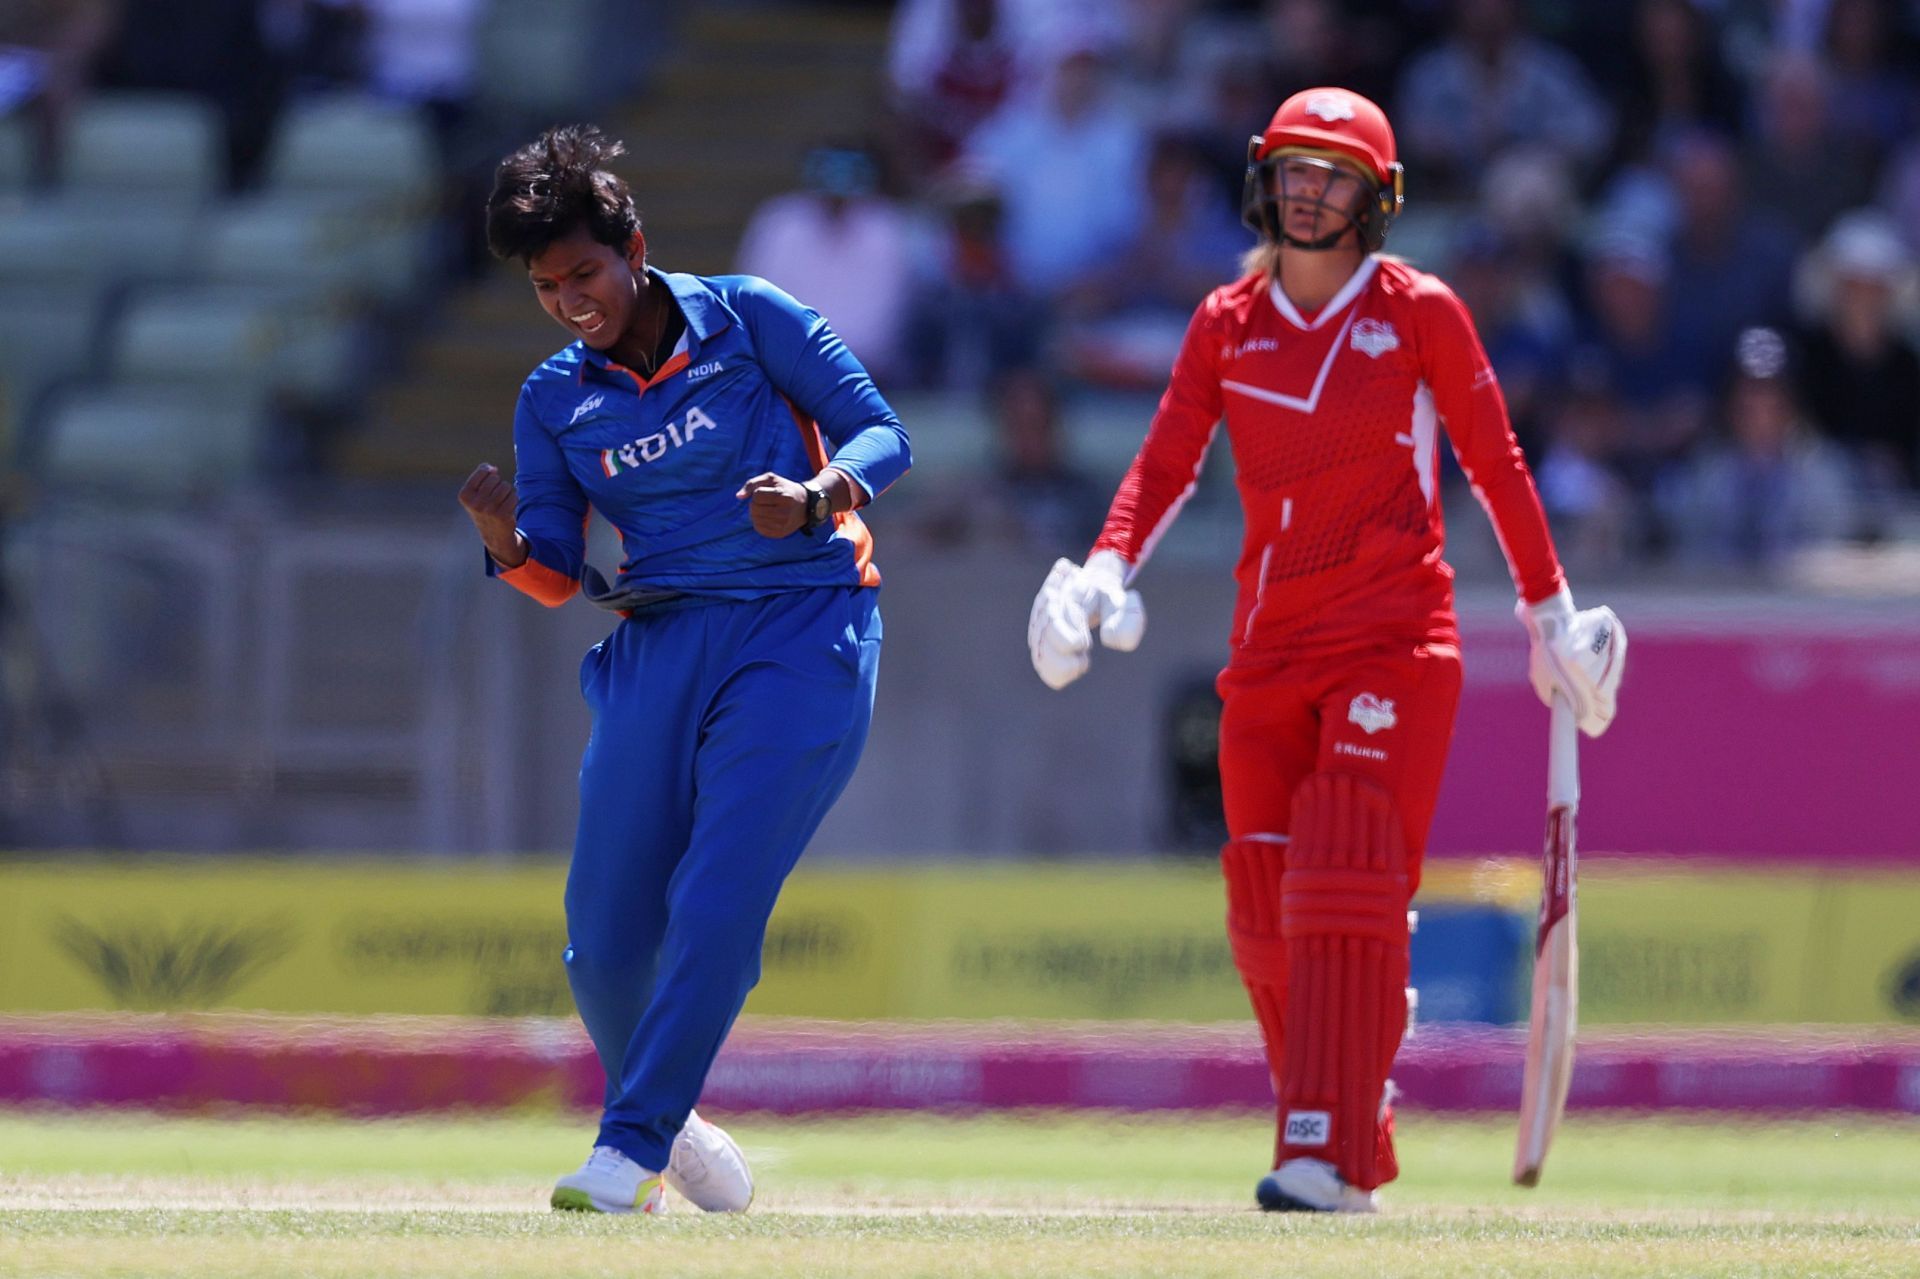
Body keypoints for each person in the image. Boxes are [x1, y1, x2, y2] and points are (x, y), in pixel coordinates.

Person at [1026, 87, 1625, 1212]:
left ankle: (1321, 1151)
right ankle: (1357, 1114)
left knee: (1341, 882)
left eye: (1335, 174)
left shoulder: (1422, 311)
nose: (1310, 191)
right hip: (1267, 654)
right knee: (1264, 911)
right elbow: (1164, 467)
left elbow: (1496, 466)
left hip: (1394, 644)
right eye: (1296, 169)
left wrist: (1552, 614)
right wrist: (1104, 570)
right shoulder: (1223, 322)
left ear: (1378, 198)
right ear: (1266, 180)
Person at [457, 126, 909, 1215]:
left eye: (585, 274)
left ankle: (628, 1149)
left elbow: (882, 435)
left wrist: (815, 499)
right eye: (547, 286)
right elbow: (564, 578)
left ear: (636, 249)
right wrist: (509, 545)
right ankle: (677, 1127)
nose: (572, 301)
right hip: (659, 643)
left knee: (714, 900)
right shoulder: (552, 399)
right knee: (603, 942)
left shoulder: (751, 315)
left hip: (802, 627)